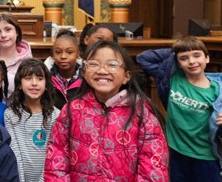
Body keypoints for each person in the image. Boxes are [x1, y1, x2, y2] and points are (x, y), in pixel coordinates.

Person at [44, 40, 169, 181]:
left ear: (126, 76)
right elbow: (56, 157)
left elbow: (153, 166)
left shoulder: (141, 112)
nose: (102, 71)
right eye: (94, 64)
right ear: (84, 73)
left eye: (112, 64)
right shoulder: (72, 109)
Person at [136, 36, 222, 182]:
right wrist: (178, 49)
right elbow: (143, 58)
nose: (192, 61)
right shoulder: (172, 78)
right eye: (184, 58)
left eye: (197, 55)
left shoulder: (221, 92)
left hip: (205, 158)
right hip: (175, 154)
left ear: (207, 58)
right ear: (178, 63)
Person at [4, 59, 60, 182]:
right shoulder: (10, 114)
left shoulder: (55, 115)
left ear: (46, 85)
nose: (34, 83)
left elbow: (53, 155)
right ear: (19, 84)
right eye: (28, 78)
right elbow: (15, 153)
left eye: (40, 79)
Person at [46, 30, 82, 109]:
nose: (63, 56)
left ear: (78, 54)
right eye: (58, 52)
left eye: (69, 52)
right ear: (52, 55)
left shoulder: (86, 78)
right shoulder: (47, 78)